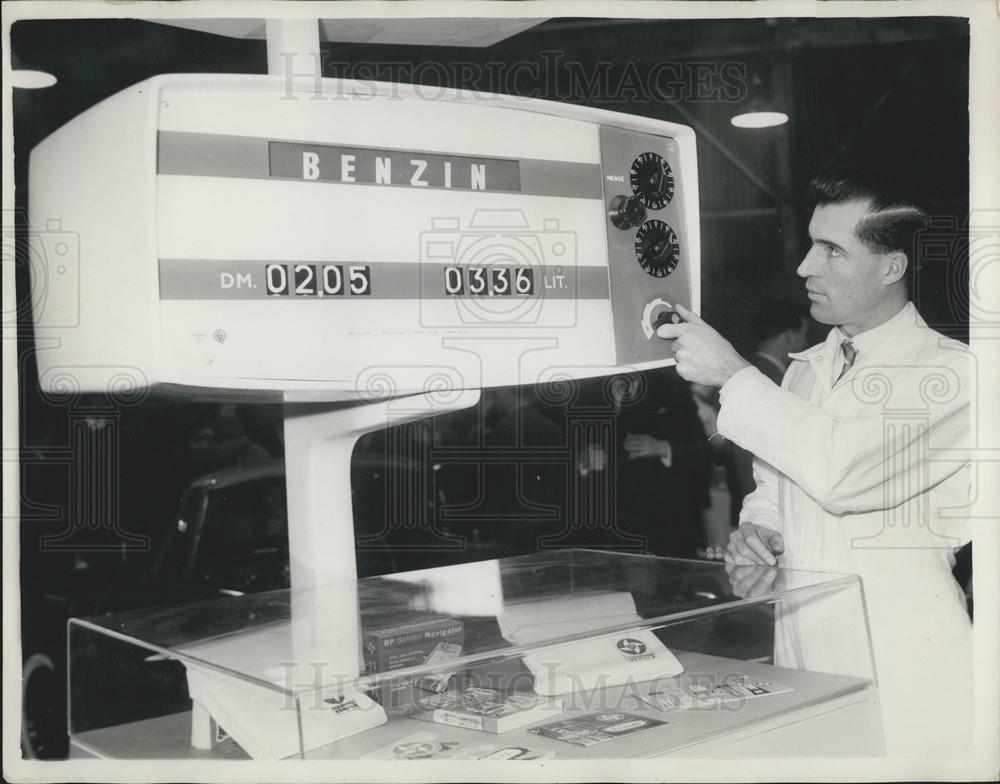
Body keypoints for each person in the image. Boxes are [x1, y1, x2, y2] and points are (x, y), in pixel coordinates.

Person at [655, 169, 972, 757]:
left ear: (891, 267)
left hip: (907, 657)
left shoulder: (952, 374)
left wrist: (732, 373)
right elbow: (776, 485)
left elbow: (841, 473)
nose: (805, 266)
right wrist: (760, 536)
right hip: (802, 646)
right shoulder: (805, 369)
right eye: (809, 244)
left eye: (831, 250)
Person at [730, 301, 812, 505]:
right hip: (767, 499)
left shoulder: (746, 373)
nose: (805, 344)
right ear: (790, 336)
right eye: (804, 335)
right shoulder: (776, 382)